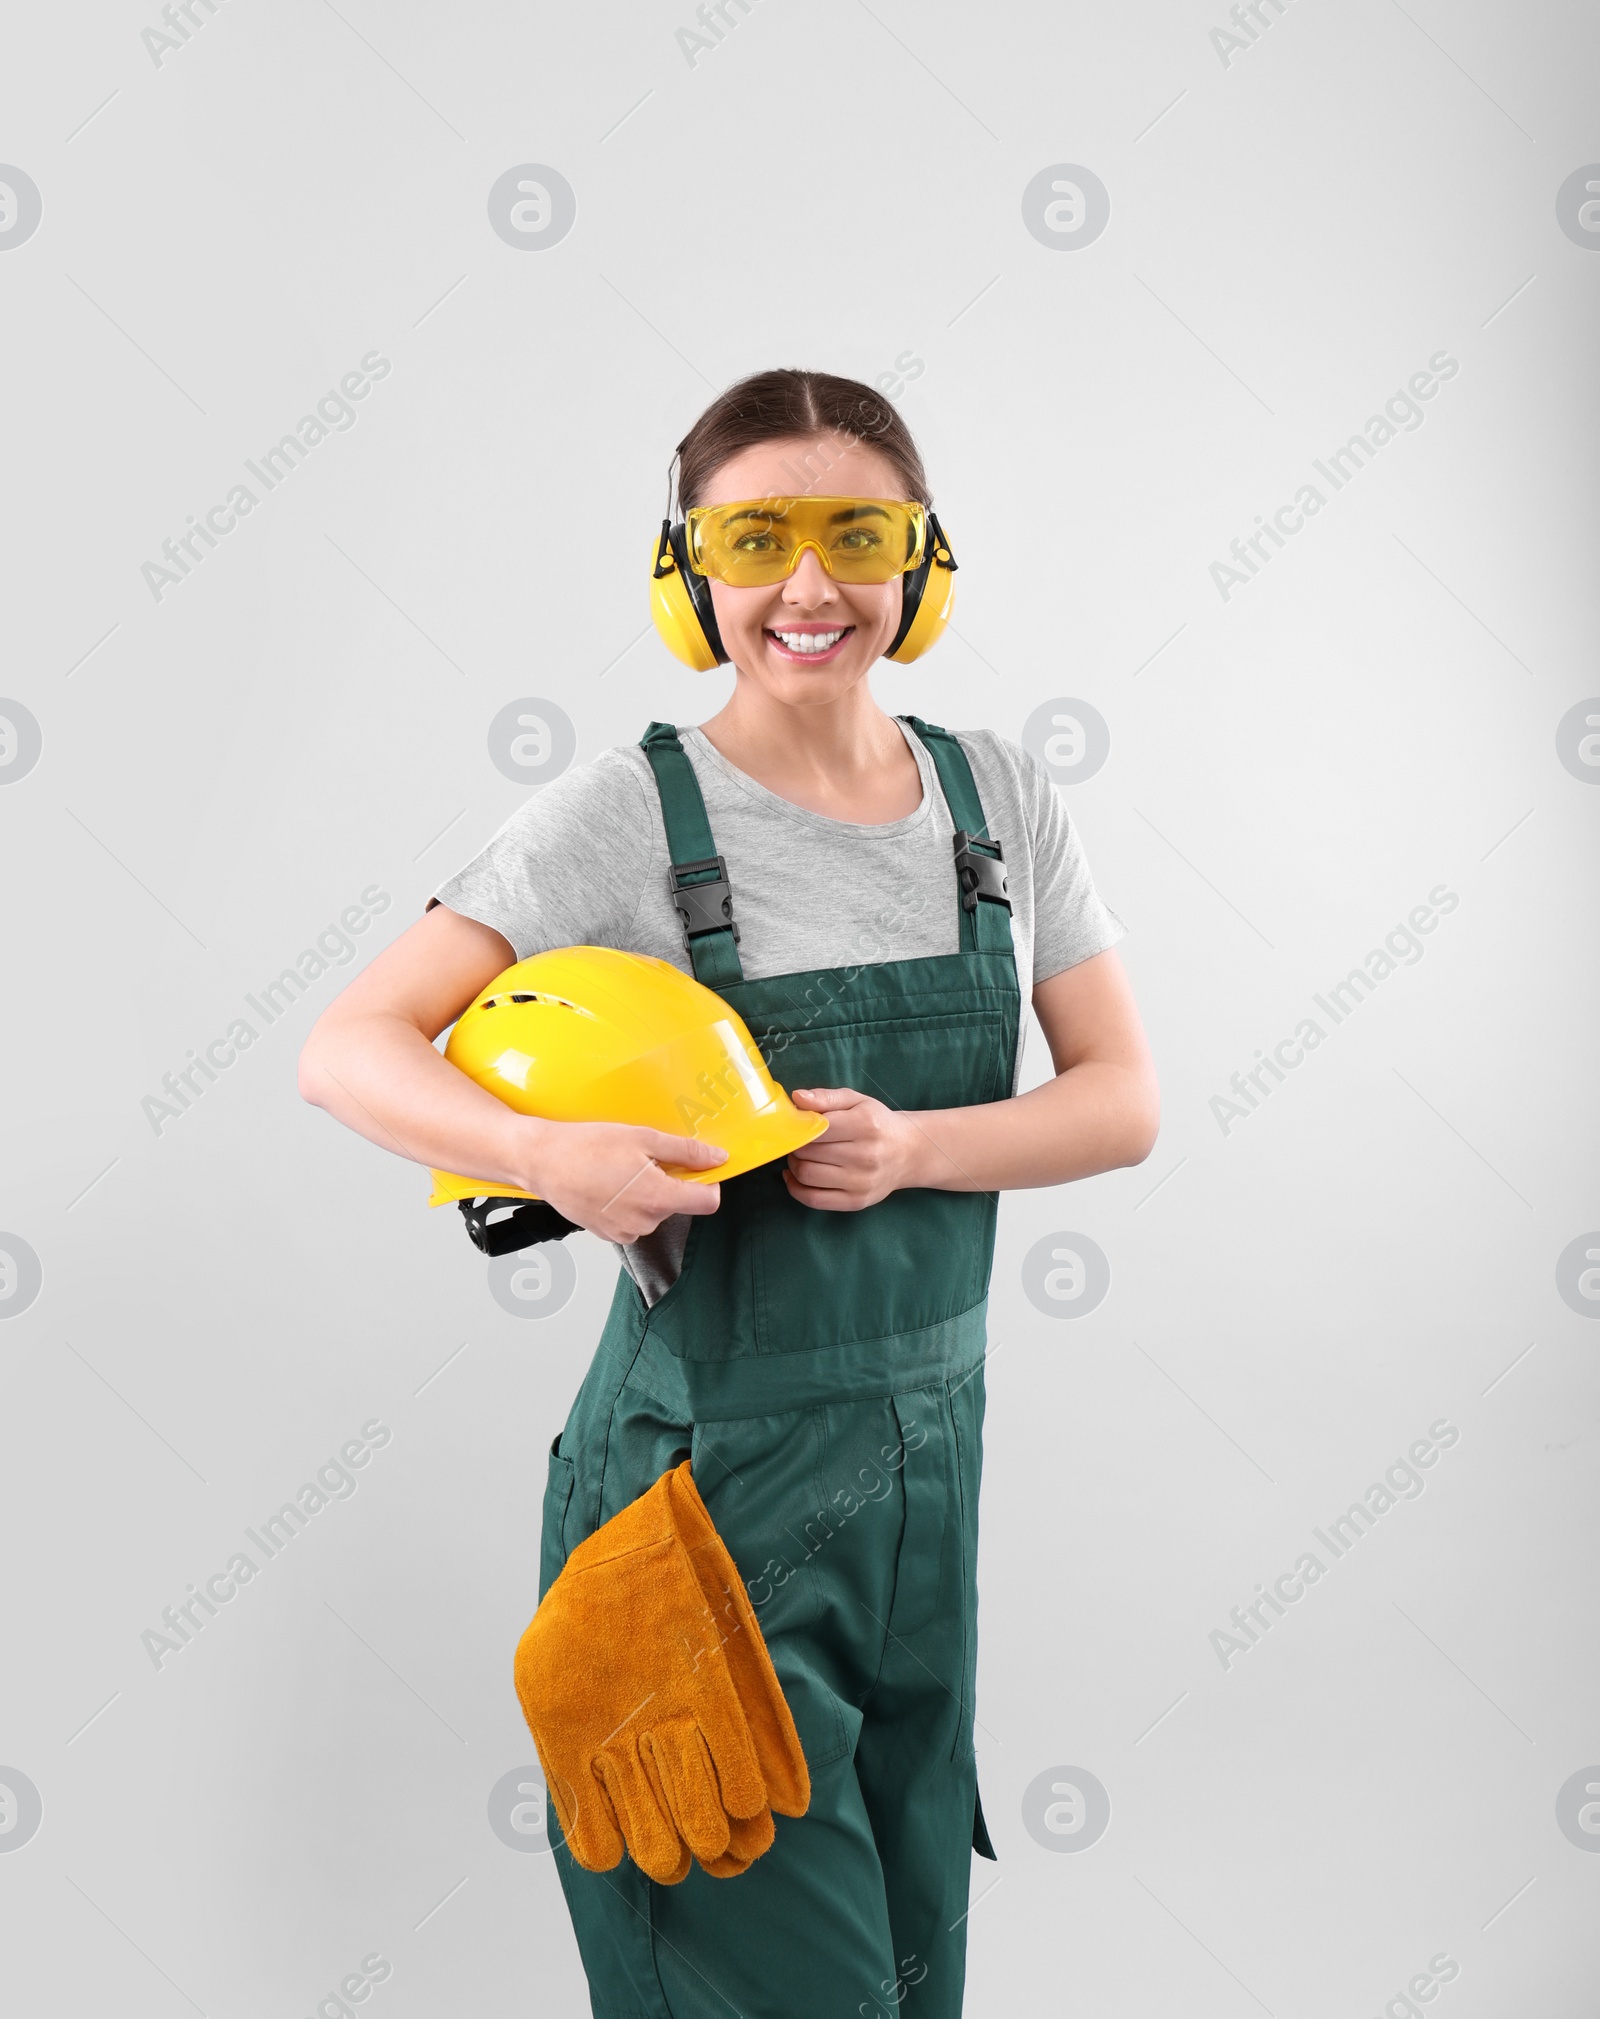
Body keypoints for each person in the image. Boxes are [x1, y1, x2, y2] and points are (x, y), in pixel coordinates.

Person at [298, 367, 1160, 2018]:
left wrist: (916, 1147)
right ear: (687, 576)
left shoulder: (999, 800)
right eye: (756, 538)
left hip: (927, 1490)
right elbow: (349, 1048)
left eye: (860, 535)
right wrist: (546, 1156)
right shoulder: (630, 816)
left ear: (926, 562)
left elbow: (1123, 1102)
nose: (811, 587)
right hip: (703, 1505)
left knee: (911, 1983)